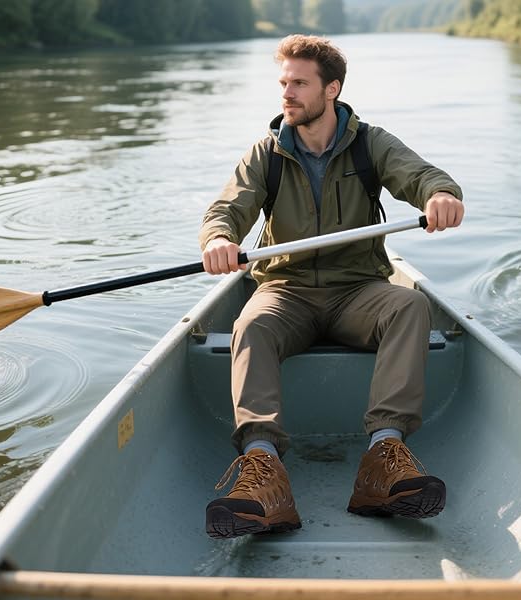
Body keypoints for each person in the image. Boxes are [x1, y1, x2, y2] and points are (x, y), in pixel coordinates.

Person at [199, 34, 464, 539]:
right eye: (283, 83)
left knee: (409, 305)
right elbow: (226, 210)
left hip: (357, 290)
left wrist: (442, 195)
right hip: (287, 289)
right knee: (250, 321)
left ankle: (384, 456)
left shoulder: (371, 143)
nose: (287, 94)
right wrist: (218, 238)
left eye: (299, 83)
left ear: (332, 89)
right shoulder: (267, 151)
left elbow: (425, 177)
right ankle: (262, 471)